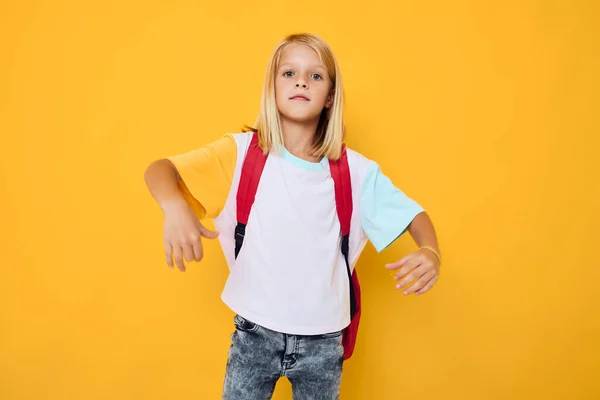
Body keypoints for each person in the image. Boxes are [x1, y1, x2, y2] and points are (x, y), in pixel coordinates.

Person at [144, 32, 442, 400]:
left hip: (325, 343)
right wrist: (174, 207)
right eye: (289, 73)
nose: (301, 81)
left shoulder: (356, 172)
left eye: (316, 76)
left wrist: (430, 251)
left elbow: (414, 216)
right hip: (253, 335)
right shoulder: (239, 155)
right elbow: (160, 170)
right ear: (271, 87)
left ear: (330, 95)